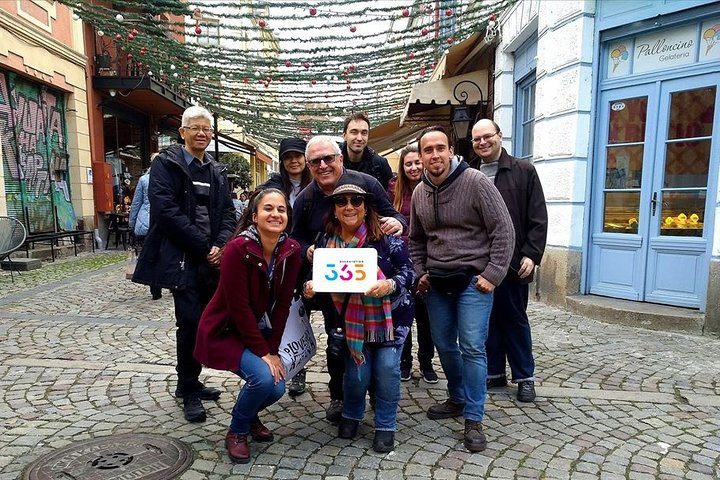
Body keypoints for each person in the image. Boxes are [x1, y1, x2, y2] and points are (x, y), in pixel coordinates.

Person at [408, 125, 514, 453]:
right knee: (443, 343)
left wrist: (493, 274)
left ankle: (473, 417)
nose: (435, 155)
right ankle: (456, 397)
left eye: (441, 148)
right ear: (421, 156)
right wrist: (420, 271)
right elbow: (416, 239)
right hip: (438, 281)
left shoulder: (476, 182)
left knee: (471, 345)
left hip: (473, 281)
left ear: (451, 149)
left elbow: (504, 230)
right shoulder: (419, 193)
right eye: (428, 150)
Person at [132, 105, 237, 423]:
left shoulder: (216, 170)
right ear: (183, 132)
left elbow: (228, 212)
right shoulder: (167, 164)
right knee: (189, 323)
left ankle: (188, 381)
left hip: (211, 258)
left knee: (208, 322)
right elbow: (165, 212)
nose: (203, 133)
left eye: (207, 128)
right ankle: (189, 388)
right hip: (183, 259)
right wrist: (205, 247)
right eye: (196, 127)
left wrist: (221, 245)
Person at [291, 135, 406, 423]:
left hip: (376, 288)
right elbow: (294, 238)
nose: (323, 165)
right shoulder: (305, 198)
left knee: (378, 346)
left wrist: (399, 223)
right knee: (337, 339)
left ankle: (377, 397)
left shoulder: (367, 183)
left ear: (340, 158)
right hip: (336, 287)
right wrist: (307, 251)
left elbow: (394, 216)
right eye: (315, 161)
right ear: (309, 166)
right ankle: (339, 396)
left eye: (328, 158)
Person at [302, 182, 415, 453]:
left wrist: (390, 285)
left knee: (387, 369)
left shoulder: (386, 237)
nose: (349, 206)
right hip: (350, 320)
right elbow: (321, 281)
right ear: (335, 209)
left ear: (365, 208)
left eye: (356, 201)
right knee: (356, 373)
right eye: (342, 202)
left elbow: (410, 271)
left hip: (390, 318)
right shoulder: (326, 241)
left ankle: (385, 425)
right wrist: (310, 287)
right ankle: (352, 414)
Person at [194, 188, 302, 464]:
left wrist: (274, 350)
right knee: (264, 378)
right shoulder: (237, 249)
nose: (275, 214)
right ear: (254, 216)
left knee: (277, 385)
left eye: (281, 209)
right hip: (226, 329)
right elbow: (238, 307)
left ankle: (249, 414)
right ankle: (237, 431)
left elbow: (283, 306)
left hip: (257, 329)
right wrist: (263, 353)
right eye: (268, 208)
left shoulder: (291, 251)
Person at [469, 119, 548, 403]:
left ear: (500, 136)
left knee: (514, 319)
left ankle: (525, 377)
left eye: (487, 136)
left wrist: (532, 253)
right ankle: (493, 372)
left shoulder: (523, 171)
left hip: (515, 262)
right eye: (477, 139)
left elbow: (537, 217)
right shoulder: (470, 172)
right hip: (481, 261)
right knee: (487, 319)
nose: (482, 143)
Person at [258, 137, 312, 397]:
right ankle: (285, 363)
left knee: (305, 312)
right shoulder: (273, 185)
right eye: (288, 156)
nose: (294, 160)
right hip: (280, 257)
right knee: (282, 312)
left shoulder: (314, 185)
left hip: (308, 257)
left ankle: (301, 364)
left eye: (298, 155)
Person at [387, 144, 437, 384]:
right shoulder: (393, 190)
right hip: (400, 262)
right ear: (403, 166)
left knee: (426, 318)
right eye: (409, 164)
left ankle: (426, 362)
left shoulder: (433, 188)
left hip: (427, 260)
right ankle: (405, 362)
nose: (414, 167)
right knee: (403, 313)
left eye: (418, 162)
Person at [129, 154, 162, 300]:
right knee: (165, 254)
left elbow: (136, 203)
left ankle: (155, 289)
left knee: (150, 256)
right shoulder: (169, 179)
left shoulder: (144, 180)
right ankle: (170, 284)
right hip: (164, 223)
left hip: (145, 222)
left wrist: (132, 223)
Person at [340, 112, 393, 190]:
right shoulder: (332, 161)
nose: (359, 138)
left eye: (364, 133)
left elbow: (389, 196)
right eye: (354, 132)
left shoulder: (380, 164)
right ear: (344, 135)